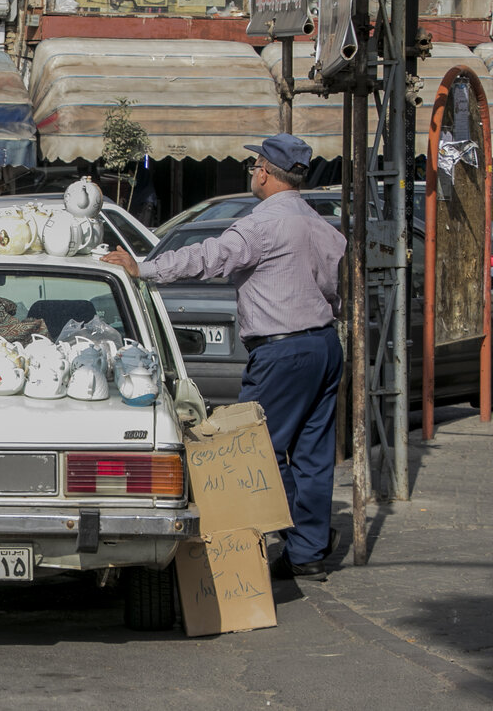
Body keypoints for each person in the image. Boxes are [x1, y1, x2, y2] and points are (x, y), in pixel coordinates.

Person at [101, 133, 346, 581]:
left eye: (254, 165)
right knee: (312, 454)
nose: (251, 171)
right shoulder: (320, 225)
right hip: (323, 344)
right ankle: (307, 549)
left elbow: (209, 257)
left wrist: (145, 268)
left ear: (266, 173)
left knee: (251, 451)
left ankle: (277, 540)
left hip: (282, 350)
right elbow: (333, 288)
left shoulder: (262, 223)